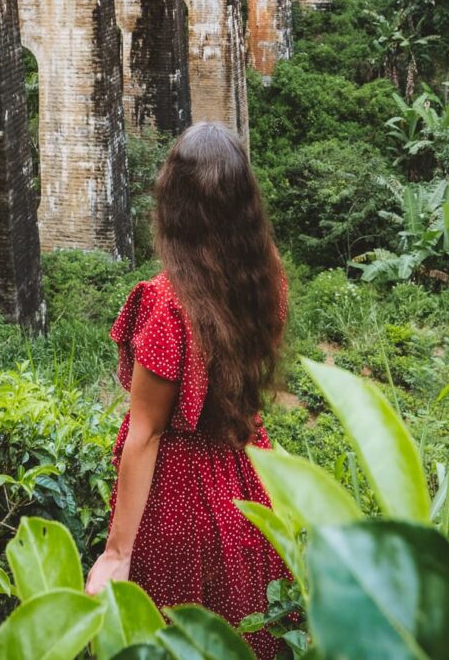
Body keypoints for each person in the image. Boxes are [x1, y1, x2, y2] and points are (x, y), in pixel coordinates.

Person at [85, 122, 289, 658]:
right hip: (250, 481)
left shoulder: (167, 305)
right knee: (242, 632)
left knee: (169, 638)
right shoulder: (266, 278)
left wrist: (116, 552)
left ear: (175, 205)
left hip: (178, 498)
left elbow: (147, 433)